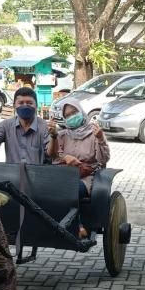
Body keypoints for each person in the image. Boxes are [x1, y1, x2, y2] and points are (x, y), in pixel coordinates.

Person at [48, 97, 110, 238]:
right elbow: (52, 155)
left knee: (72, 189)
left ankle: (78, 225)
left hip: (85, 177)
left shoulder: (94, 133)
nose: (71, 117)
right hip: (63, 176)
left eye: (74, 112)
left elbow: (103, 159)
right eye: (67, 115)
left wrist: (100, 139)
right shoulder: (62, 135)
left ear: (81, 111)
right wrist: (65, 157)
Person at [0, 87, 58, 164]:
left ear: (36, 106)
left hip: (38, 174)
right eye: (21, 103)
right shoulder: (6, 125)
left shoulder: (45, 127)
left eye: (29, 103)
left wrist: (54, 136)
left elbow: (52, 154)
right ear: (14, 106)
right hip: (13, 174)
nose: (25, 106)